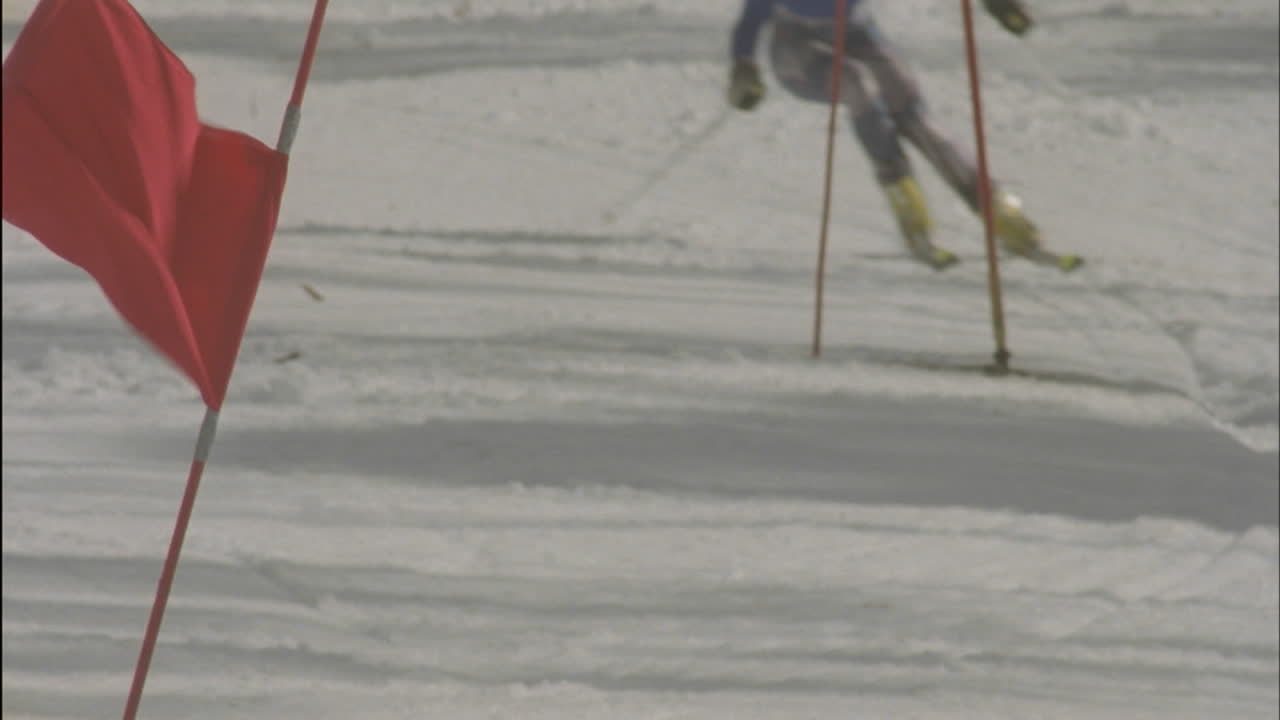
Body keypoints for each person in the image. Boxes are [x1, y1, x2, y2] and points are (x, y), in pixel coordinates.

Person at [727, 0, 1041, 269]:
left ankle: (1000, 214)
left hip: (855, 32)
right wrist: (744, 67)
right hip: (798, 49)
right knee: (857, 82)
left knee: (913, 114)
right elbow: (751, 20)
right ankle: (907, 206)